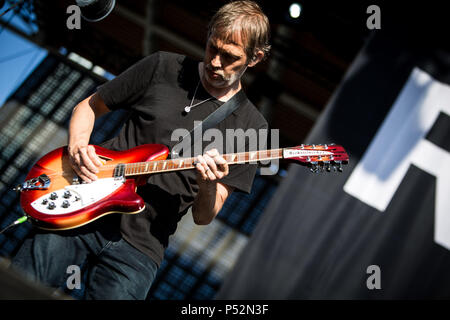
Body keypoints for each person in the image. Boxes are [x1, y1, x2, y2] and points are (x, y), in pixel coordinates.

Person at [11, 0, 270, 299]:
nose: (215, 62)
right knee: (20, 287)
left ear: (255, 58)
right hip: (81, 207)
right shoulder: (163, 67)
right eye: (213, 47)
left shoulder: (253, 127)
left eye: (230, 57)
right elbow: (89, 106)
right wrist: (79, 145)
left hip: (141, 248)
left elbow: (204, 216)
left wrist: (208, 184)